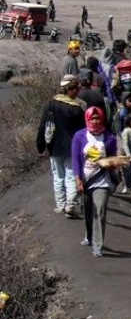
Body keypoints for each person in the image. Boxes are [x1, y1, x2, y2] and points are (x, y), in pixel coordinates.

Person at [37, 74, 86, 218]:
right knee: (71, 176)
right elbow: (82, 132)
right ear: (70, 89)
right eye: (76, 88)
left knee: (58, 177)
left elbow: (43, 125)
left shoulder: (51, 103)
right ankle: (70, 205)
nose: (77, 91)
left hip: (54, 146)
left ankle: (60, 205)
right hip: (72, 148)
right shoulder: (77, 108)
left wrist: (40, 145)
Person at [71, 106, 118, 257]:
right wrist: (78, 178)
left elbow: (113, 156)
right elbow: (76, 160)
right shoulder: (79, 136)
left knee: (100, 209)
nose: (95, 121)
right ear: (87, 119)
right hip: (85, 179)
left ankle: (98, 245)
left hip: (102, 180)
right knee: (88, 210)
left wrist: (111, 163)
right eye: (92, 118)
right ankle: (89, 235)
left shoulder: (109, 137)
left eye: (98, 118)